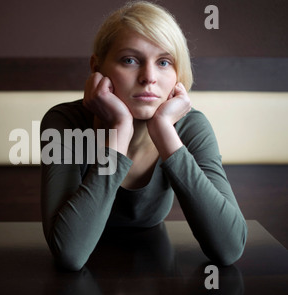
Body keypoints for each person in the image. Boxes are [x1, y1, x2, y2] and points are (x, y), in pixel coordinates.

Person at [40, 1, 247, 272]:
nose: (149, 77)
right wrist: (119, 130)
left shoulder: (191, 127)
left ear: (177, 74)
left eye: (164, 62)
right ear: (96, 67)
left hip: (155, 265)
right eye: (130, 60)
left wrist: (164, 131)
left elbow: (229, 248)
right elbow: (70, 253)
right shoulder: (63, 123)